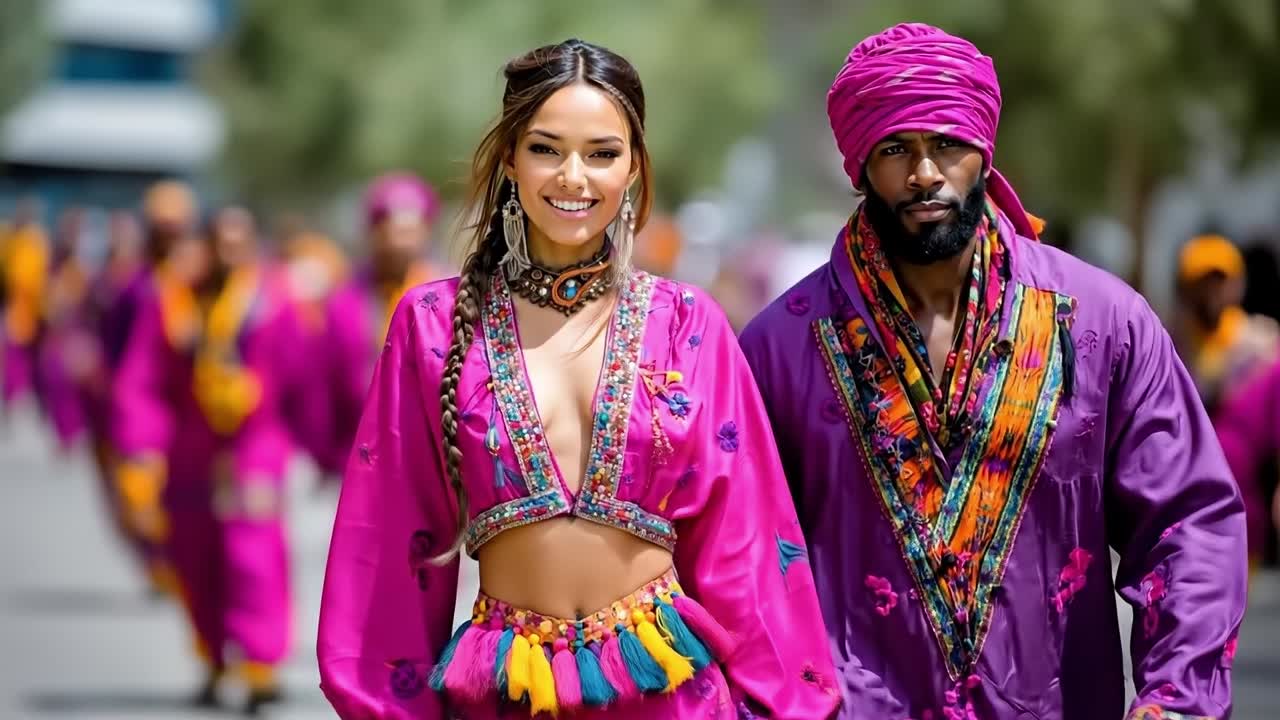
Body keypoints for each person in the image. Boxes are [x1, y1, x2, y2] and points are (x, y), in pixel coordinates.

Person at [318, 39, 838, 719]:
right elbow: (388, 546)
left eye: (602, 153)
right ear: (509, 158)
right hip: (507, 694)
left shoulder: (687, 325)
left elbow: (743, 543)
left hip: (672, 692)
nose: (573, 177)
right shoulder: (434, 324)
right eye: (545, 149)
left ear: (633, 168)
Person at [738, 23, 1246, 720]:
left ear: (982, 149)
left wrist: (1175, 696)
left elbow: (1188, 521)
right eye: (895, 150)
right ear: (860, 168)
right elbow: (739, 557)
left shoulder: (1102, 325)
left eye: (946, 144)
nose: (924, 173)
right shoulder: (780, 348)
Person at [114, 205, 308, 714]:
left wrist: (317, 443)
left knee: (255, 560)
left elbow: (303, 379)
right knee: (195, 559)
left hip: (254, 452)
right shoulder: (174, 302)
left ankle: (261, 665)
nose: (228, 251)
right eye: (219, 240)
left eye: (238, 240)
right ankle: (213, 658)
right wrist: (139, 449)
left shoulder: (274, 303)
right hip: (191, 455)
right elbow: (142, 379)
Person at [289, 173, 445, 481]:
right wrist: (326, 456)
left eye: (411, 231)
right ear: (374, 232)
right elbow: (320, 387)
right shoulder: (344, 303)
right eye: (392, 231)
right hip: (357, 460)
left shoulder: (450, 297)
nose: (400, 241)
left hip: (431, 466)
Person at [1172, 233, 1278, 413]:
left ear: (1238, 285)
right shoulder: (1172, 344)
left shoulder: (1263, 344)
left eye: (1220, 280)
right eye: (1201, 282)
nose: (1211, 292)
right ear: (1183, 288)